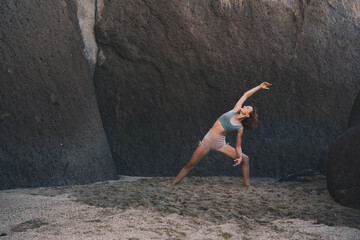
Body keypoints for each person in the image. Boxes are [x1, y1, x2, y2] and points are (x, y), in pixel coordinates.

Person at [170, 82, 272, 186]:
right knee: (190, 165)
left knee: (245, 159)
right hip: (207, 141)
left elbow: (238, 146)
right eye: (246, 106)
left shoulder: (239, 128)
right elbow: (245, 95)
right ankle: (172, 184)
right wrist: (259, 87)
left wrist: (240, 157)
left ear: (247, 115)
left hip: (220, 144)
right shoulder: (234, 110)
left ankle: (247, 185)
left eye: (247, 108)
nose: (245, 106)